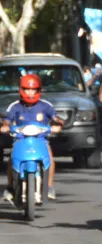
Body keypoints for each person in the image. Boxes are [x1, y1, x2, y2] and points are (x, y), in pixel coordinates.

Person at [2, 74, 64, 202]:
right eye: (27, 89)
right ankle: (10, 187)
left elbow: (55, 118)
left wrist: (59, 123)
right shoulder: (15, 106)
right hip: (20, 139)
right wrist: (5, 126)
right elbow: (7, 120)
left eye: (33, 89)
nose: (30, 92)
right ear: (21, 90)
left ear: (38, 90)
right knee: (11, 159)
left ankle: (49, 186)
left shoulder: (45, 105)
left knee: (50, 158)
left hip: (41, 139)